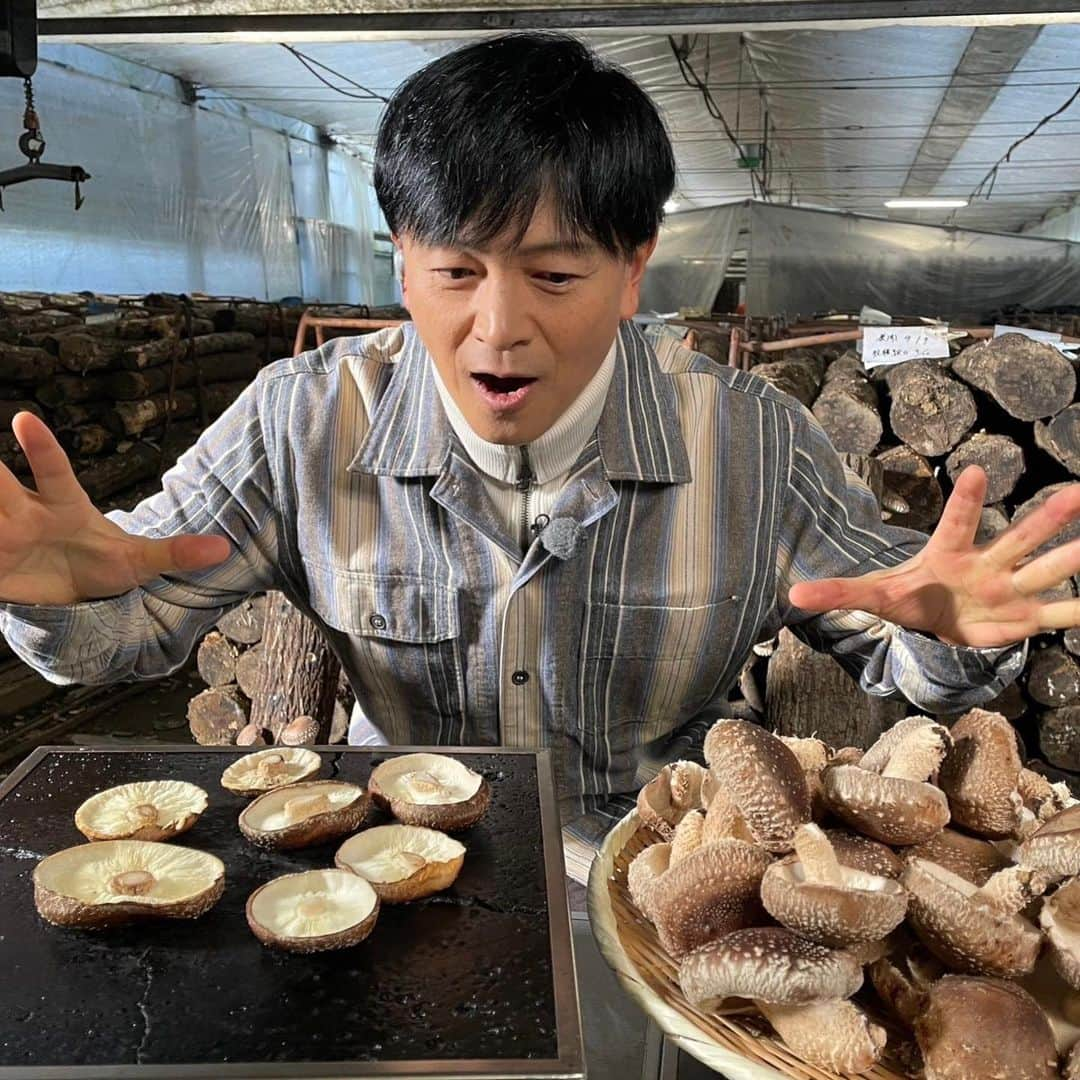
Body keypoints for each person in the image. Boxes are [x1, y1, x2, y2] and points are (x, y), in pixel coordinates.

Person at [1, 34, 1077, 873]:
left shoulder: (754, 444)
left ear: (632, 269)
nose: (499, 329)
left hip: (658, 876)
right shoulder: (300, 421)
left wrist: (953, 646)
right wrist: (53, 599)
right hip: (381, 864)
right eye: (456, 273)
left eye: (555, 276)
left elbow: (904, 659)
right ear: (402, 263)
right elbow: (126, 631)